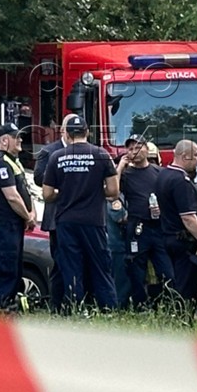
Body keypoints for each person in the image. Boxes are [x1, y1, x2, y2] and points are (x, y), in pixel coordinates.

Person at [40, 113, 119, 309]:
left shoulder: (57, 157)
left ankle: (75, 309)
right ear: (88, 132)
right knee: (101, 266)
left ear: (67, 134)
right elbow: (113, 190)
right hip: (94, 221)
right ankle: (108, 309)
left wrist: (64, 193)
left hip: (66, 222)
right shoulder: (101, 154)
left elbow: (47, 194)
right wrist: (95, 191)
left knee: (71, 267)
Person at [116, 134, 173, 308]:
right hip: (137, 228)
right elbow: (112, 192)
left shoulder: (159, 172)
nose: (135, 151)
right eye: (131, 148)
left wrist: (162, 209)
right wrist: (120, 167)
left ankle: (169, 304)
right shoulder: (126, 174)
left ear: (147, 149)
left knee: (167, 270)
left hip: (158, 227)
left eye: (138, 147)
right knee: (136, 271)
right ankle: (140, 306)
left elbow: (169, 197)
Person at [0, 122, 34, 312]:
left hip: (14, 222)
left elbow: (26, 191)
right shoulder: (1, 163)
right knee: (6, 264)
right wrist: (28, 217)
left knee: (15, 265)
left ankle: (9, 304)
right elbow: (12, 196)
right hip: (5, 221)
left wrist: (31, 212)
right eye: (16, 137)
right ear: (4, 141)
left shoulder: (14, 161)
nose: (20, 140)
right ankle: (1, 306)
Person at [155, 139, 197, 307]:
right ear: (185, 156)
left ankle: (177, 313)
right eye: (196, 156)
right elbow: (188, 217)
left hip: (168, 236)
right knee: (188, 286)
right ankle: (183, 317)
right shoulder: (181, 180)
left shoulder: (163, 175)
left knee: (177, 281)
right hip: (183, 241)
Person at [33, 131, 66, 311]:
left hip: (80, 216)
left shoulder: (86, 150)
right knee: (59, 262)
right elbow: (38, 177)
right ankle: (57, 304)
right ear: (63, 131)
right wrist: (63, 176)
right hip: (56, 214)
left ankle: (79, 300)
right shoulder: (49, 151)